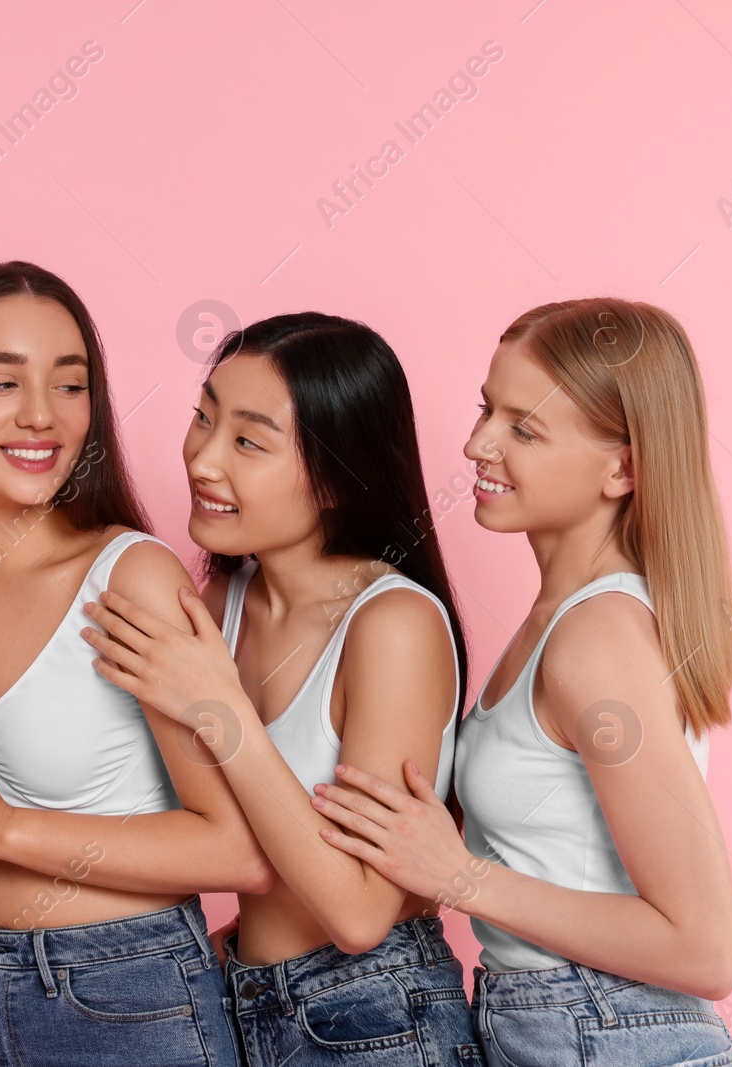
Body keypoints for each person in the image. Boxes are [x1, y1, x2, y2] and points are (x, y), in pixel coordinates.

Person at [308, 299, 732, 1066]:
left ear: (625, 466)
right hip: (555, 1023)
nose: (478, 442)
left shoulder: (598, 639)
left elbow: (706, 948)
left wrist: (460, 876)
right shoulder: (562, 620)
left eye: (525, 428)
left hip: (609, 1028)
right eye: (488, 408)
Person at [0, 261, 275, 1067]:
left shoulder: (129, 578)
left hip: (123, 992)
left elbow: (236, 849)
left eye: (70, 386)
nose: (42, 416)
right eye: (2, 383)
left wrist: (1, 827)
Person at [82, 313, 483, 1065]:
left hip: (372, 1015)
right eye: (203, 418)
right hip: (242, 1001)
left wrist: (222, 709)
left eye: (248, 441)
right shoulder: (219, 604)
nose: (203, 459)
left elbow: (360, 912)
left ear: (335, 477)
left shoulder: (392, 624)